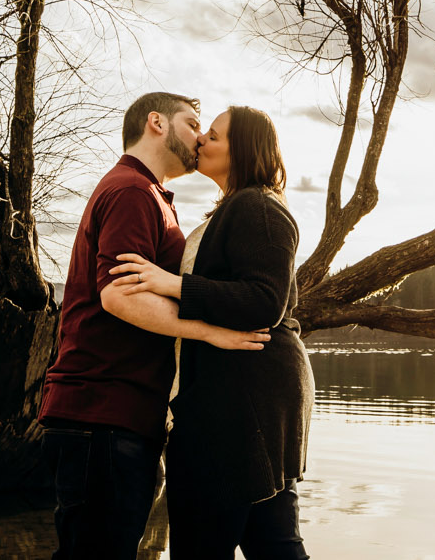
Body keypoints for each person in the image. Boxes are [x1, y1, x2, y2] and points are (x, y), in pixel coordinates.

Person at [39, 92, 271, 560]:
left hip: (119, 417)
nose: (200, 137)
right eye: (192, 124)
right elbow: (118, 295)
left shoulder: (151, 196)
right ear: (156, 124)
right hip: (104, 414)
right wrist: (209, 332)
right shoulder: (130, 191)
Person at [112, 105, 312, 560]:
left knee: (210, 542)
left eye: (215, 137)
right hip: (243, 402)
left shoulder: (257, 206)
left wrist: (173, 284)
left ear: (243, 150)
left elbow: (265, 301)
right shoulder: (236, 207)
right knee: (273, 541)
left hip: (241, 408)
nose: (201, 141)